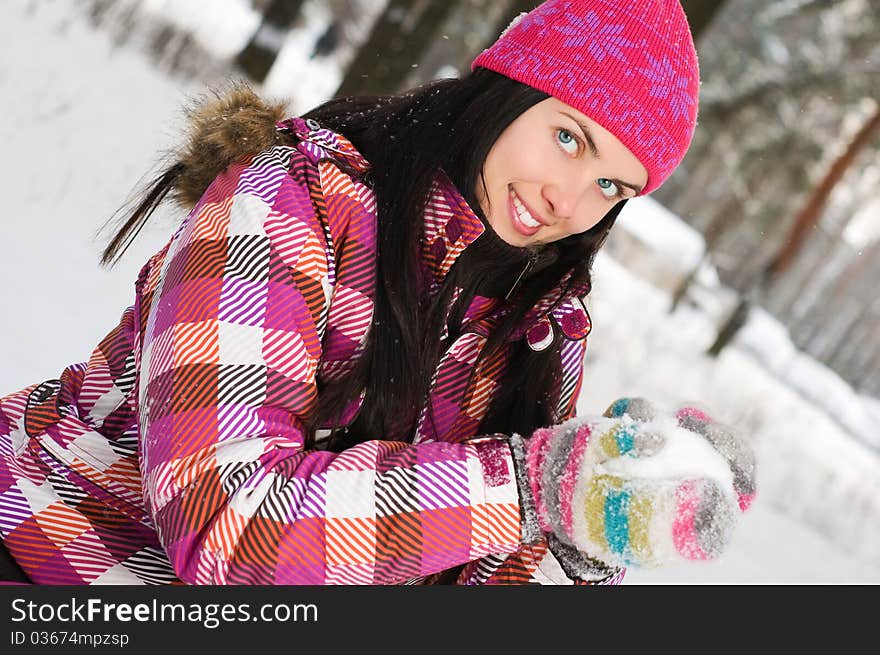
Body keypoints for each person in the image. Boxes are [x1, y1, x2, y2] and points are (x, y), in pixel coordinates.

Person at [0, 0, 755, 585]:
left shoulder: (537, 324)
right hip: (51, 553)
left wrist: (596, 518)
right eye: (568, 137)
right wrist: (536, 483)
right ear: (508, 89)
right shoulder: (287, 204)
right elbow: (225, 529)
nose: (569, 199)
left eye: (609, 185)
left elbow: (472, 567)